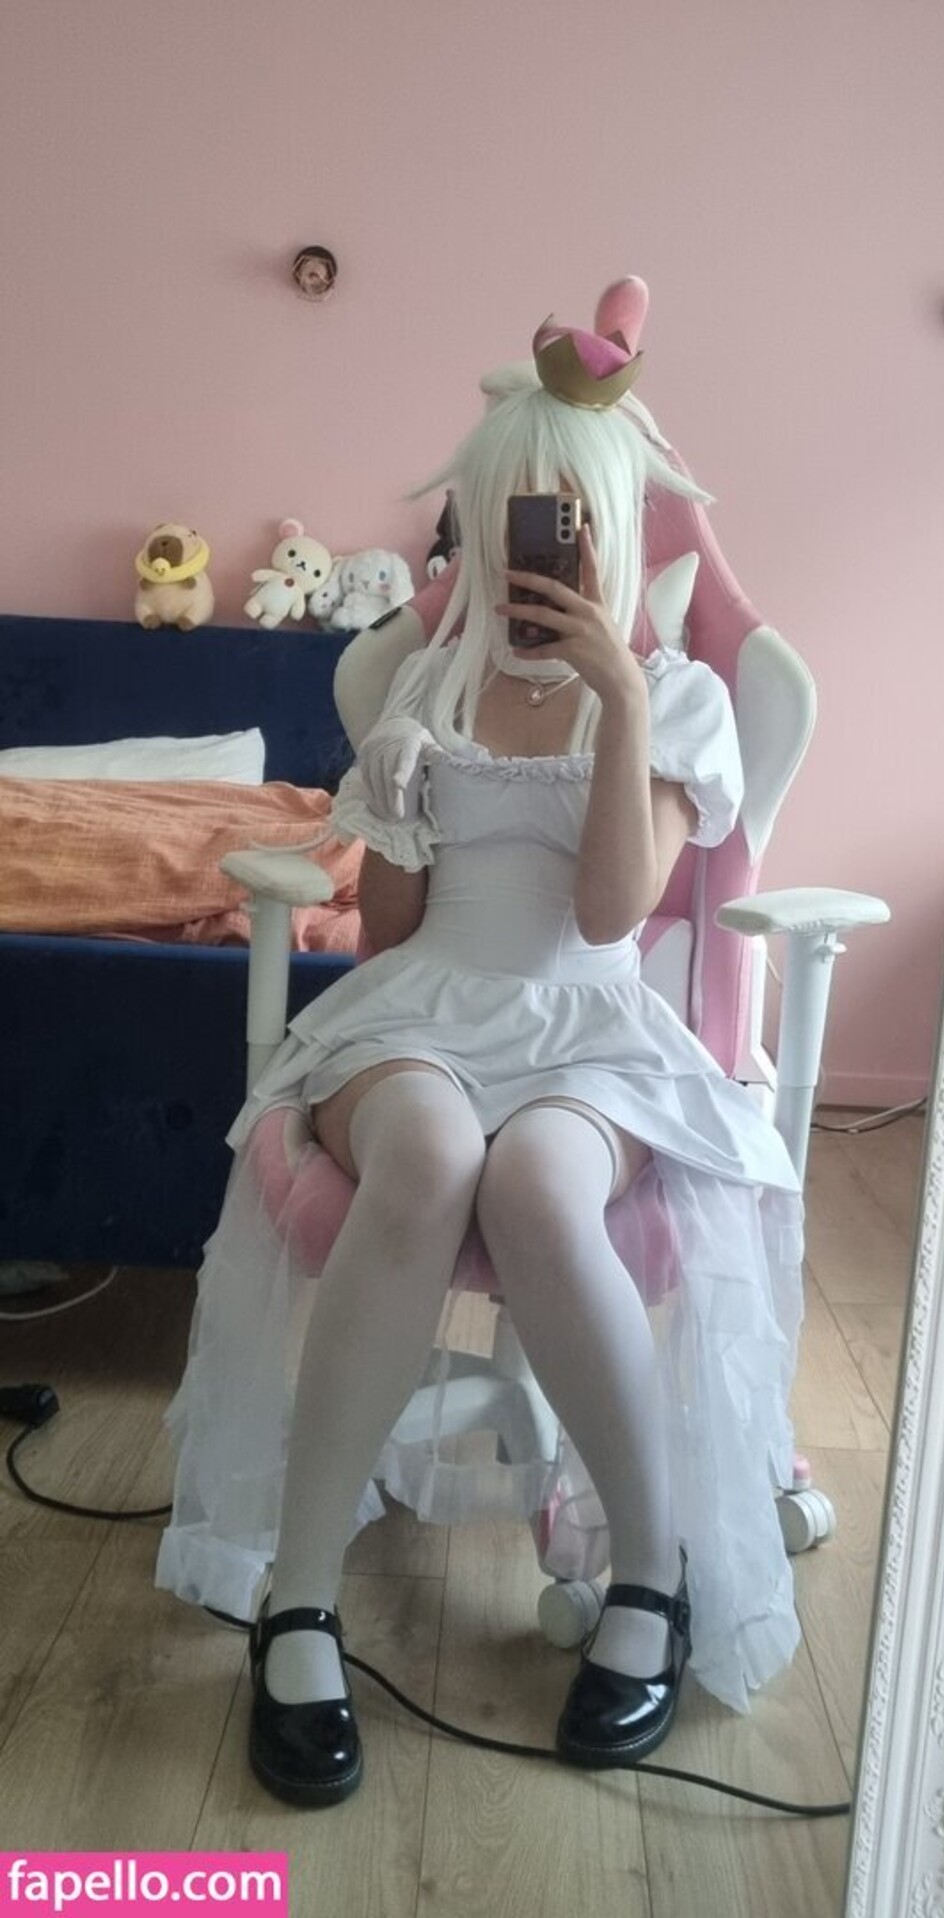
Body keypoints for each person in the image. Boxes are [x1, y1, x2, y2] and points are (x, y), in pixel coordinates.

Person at [155, 281, 805, 1809]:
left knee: (533, 1183)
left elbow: (610, 913)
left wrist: (618, 692)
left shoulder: (676, 699)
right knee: (435, 1152)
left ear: (610, 525)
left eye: (566, 521)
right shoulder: (425, 682)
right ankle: (299, 1598)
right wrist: (391, 800)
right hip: (425, 1007)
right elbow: (388, 942)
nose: (535, 554)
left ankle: (650, 1573)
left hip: (586, 1021)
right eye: (515, 521)